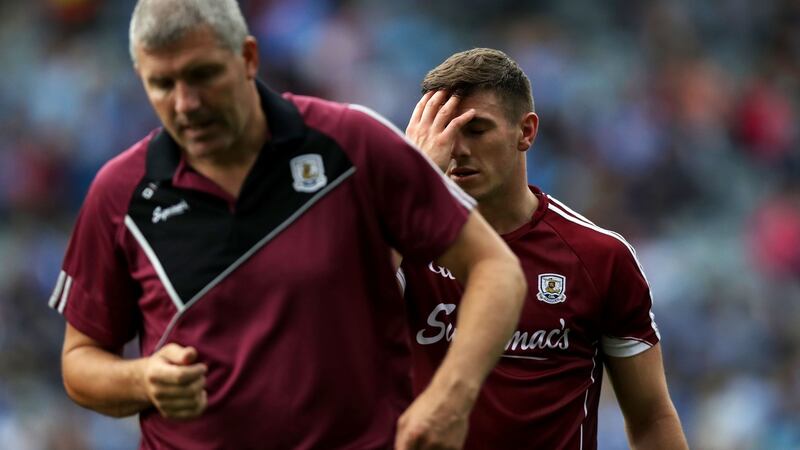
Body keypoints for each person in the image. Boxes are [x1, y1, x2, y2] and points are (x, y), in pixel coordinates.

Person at [48, 2, 527, 448]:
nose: (186, 103)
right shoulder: (119, 192)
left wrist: (450, 397)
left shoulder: (351, 145)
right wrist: (143, 378)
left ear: (248, 58)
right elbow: (79, 361)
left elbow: (496, 269)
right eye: (162, 84)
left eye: (203, 75)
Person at [400, 48, 689, 449]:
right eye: (443, 133)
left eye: (476, 129)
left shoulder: (599, 257)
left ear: (526, 132)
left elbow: (651, 416)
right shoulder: (402, 245)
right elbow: (336, 307)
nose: (457, 150)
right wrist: (411, 178)